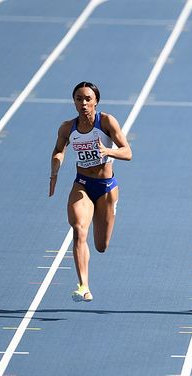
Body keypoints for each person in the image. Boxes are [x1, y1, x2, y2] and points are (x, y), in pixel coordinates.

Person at [49, 82, 132, 302]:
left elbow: (128, 152)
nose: (83, 103)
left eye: (87, 99)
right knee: (78, 229)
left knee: (101, 246)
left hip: (105, 188)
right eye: (78, 99)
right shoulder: (67, 127)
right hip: (82, 184)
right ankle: (83, 285)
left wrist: (108, 151)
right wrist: (55, 169)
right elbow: (59, 149)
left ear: (96, 101)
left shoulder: (105, 121)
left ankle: (108, 213)